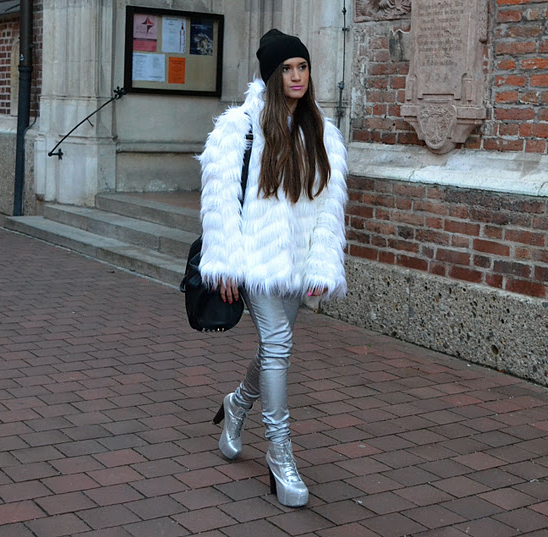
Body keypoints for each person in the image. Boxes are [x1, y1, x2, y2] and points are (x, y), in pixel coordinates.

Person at [198, 29, 348, 507]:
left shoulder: (322, 131)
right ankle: (280, 455)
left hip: (299, 262)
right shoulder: (239, 128)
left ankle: (237, 404)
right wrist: (225, 263)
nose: (297, 76)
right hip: (255, 257)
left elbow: (329, 208)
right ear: (271, 75)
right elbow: (220, 201)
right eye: (287, 69)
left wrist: (323, 263)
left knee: (271, 350)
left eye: (302, 67)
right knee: (279, 345)